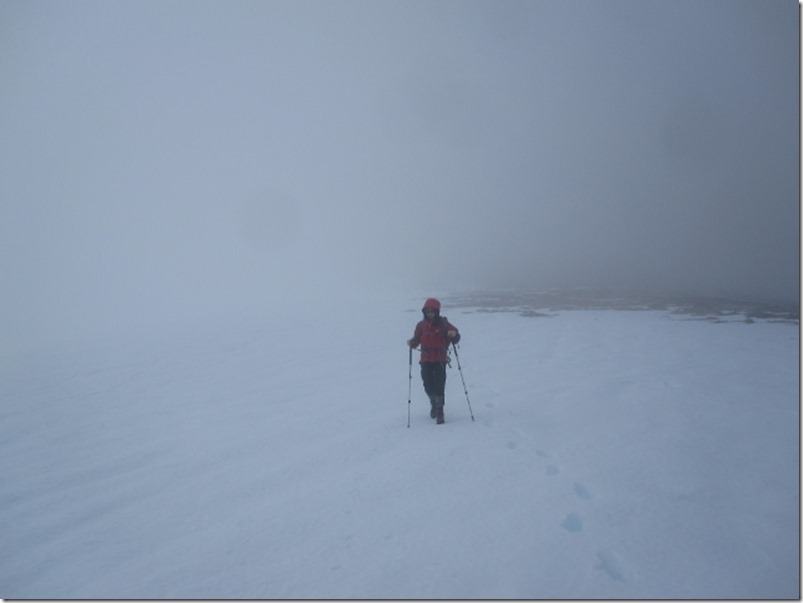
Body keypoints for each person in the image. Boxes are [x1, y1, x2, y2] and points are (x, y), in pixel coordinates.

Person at [407, 298, 460, 424]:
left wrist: (454, 335)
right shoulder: (420, 325)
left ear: (437, 311)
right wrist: (412, 343)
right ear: (424, 312)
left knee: (439, 384)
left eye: (433, 311)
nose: (430, 313)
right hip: (425, 359)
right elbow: (416, 340)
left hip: (440, 359)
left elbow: (456, 336)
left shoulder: (444, 324)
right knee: (427, 384)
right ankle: (433, 404)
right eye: (428, 311)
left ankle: (440, 410)